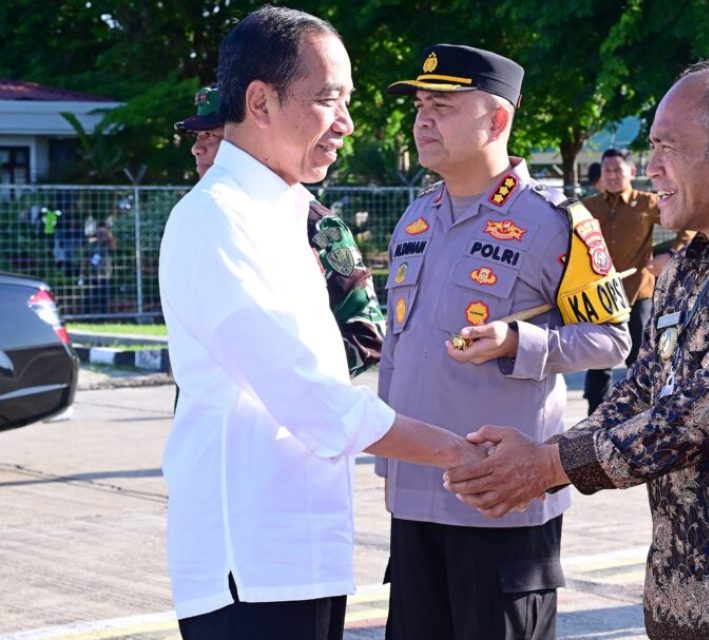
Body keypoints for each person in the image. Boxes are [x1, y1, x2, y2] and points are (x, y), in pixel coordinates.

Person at [445, 60, 709, 639]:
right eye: (652, 147)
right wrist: (546, 455)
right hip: (687, 603)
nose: (651, 167)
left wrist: (546, 466)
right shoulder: (687, 267)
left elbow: (702, 413)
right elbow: (644, 392)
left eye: (668, 147)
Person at [158, 9, 484, 640]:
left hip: (298, 556)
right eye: (328, 99)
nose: (346, 124)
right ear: (260, 102)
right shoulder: (218, 222)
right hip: (250, 571)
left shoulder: (283, 214)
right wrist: (459, 453)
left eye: (347, 100)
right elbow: (313, 402)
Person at [377, 43, 630, 639]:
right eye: (419, 106)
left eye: (442, 106)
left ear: (497, 120)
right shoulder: (414, 219)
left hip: (502, 504)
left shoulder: (554, 221)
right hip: (413, 498)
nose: (423, 121)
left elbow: (613, 339)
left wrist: (520, 340)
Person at [175, 85, 385, 376]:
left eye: (212, 135)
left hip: (293, 415)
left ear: (244, 138)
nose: (197, 147)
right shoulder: (202, 214)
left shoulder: (313, 223)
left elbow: (367, 333)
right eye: (198, 136)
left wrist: (304, 382)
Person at [581, 148, 693, 414]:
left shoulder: (647, 203)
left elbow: (688, 223)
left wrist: (672, 254)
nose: (611, 175)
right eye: (606, 170)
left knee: (640, 358)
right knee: (599, 359)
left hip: (638, 291)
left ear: (631, 172)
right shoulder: (589, 206)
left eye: (617, 170)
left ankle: (641, 416)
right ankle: (595, 417)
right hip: (602, 294)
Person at [80, 220, 115, 316]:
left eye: (103, 233)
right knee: (91, 296)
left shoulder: (108, 245)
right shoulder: (91, 245)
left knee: (104, 297)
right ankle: (88, 315)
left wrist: (108, 234)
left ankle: (103, 316)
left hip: (105, 274)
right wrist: (82, 274)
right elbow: (85, 259)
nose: (101, 235)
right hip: (93, 274)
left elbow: (113, 248)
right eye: (99, 233)